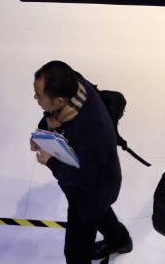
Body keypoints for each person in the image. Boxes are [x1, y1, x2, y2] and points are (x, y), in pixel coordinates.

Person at [32, 60, 132, 263]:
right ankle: (120, 241)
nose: (35, 98)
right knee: (101, 214)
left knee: (75, 253)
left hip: (92, 191)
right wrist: (43, 131)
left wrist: (51, 162)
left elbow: (85, 177)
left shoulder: (92, 131)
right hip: (96, 183)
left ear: (59, 101)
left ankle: (119, 240)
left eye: (38, 95)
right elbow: (51, 114)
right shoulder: (73, 84)